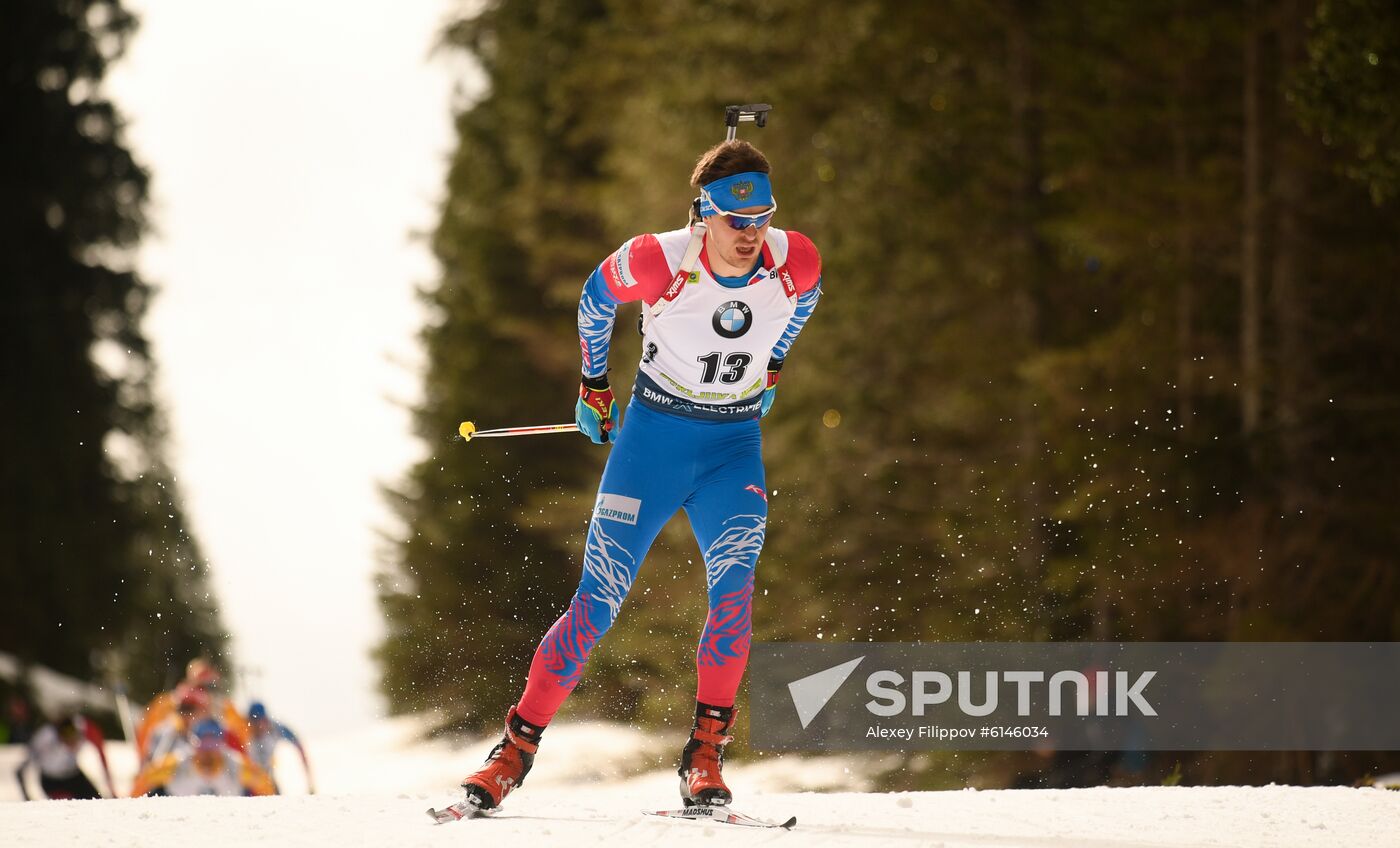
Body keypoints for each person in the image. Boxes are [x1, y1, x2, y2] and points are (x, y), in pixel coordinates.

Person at [458, 137, 822, 812]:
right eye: (735, 222)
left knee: (733, 596)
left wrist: (771, 369)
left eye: (761, 219)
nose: (749, 236)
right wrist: (595, 386)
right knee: (597, 602)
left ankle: (704, 757)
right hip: (652, 443)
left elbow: (803, 304)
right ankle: (513, 752)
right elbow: (595, 300)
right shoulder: (657, 260)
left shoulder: (793, 259)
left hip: (731, 447)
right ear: (702, 215)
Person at [131, 718, 274, 797]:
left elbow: (265, 784)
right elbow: (145, 779)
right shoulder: (179, 762)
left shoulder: (234, 764)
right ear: (193, 745)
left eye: (213, 746)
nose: (208, 753)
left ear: (221, 745)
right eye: (203, 746)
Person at [15, 713, 116, 800]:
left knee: (97, 802)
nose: (72, 744)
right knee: (70, 809)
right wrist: (26, 795)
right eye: (68, 741)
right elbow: (23, 769)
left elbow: (101, 752)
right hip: (51, 781)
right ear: (59, 737)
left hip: (75, 776)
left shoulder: (85, 727)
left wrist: (112, 789)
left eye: (75, 739)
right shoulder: (45, 738)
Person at [245, 701, 315, 794]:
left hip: (269, 781)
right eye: (254, 724)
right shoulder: (243, 730)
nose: (258, 728)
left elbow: (299, 745)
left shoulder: (275, 729)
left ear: (265, 720)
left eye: (260, 723)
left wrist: (309, 781)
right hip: (247, 783)